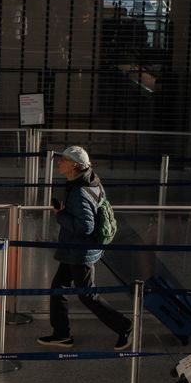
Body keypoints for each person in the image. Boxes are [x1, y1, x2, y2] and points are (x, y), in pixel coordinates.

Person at [36, 145, 133, 351]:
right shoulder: (90, 181)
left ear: (73, 166)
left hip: (80, 252)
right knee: (58, 288)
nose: (59, 163)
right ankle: (61, 334)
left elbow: (85, 226)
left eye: (63, 160)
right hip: (74, 250)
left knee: (87, 294)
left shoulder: (80, 191)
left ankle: (125, 326)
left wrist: (60, 215)